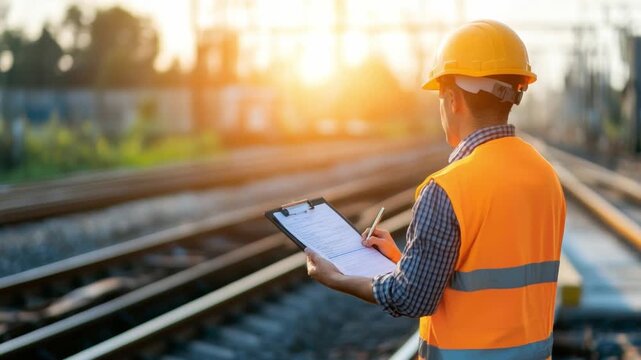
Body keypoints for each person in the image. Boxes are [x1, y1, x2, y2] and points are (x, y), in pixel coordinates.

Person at [305, 19, 566, 360]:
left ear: (453, 100)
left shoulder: (447, 189)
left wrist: (337, 278)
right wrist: (403, 260)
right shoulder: (545, 176)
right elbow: (488, 273)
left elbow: (411, 298)